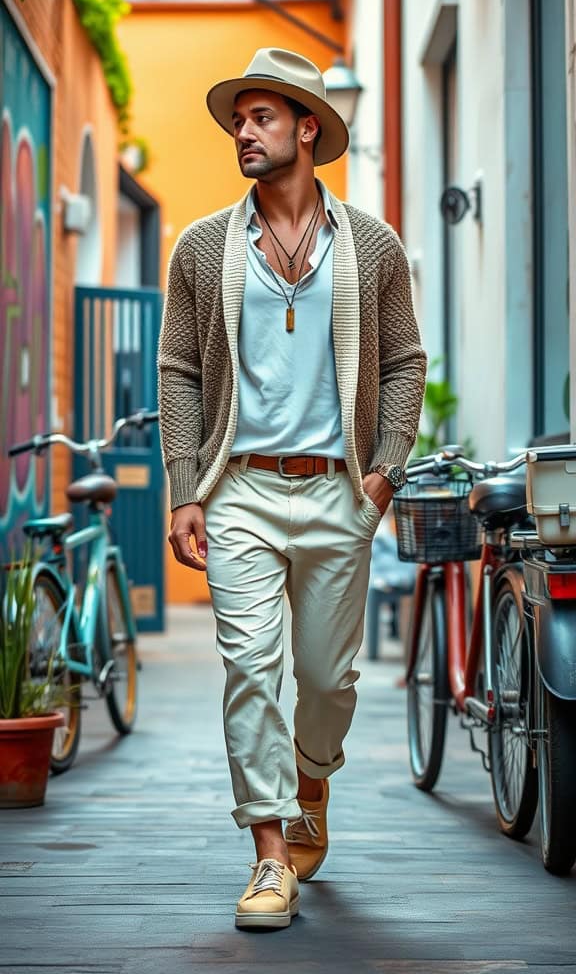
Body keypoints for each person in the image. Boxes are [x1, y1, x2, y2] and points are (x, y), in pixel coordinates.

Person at [158, 47, 427, 930]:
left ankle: (314, 775)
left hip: (338, 493)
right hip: (238, 490)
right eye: (239, 118)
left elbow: (404, 362)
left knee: (326, 676)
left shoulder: (372, 244)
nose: (244, 130)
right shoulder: (203, 246)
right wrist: (186, 487)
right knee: (249, 667)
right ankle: (270, 854)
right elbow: (179, 370)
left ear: (308, 128)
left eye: (262, 116)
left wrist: (382, 472)